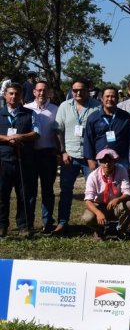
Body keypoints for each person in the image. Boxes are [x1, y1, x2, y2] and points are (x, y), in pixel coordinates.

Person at [54, 79, 102, 235]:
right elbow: (58, 130)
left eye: (81, 90)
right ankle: (62, 223)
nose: (78, 93)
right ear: (71, 91)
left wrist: (95, 157)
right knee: (66, 191)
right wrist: (63, 152)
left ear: (88, 90)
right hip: (70, 156)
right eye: (75, 90)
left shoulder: (97, 106)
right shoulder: (64, 106)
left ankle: (96, 226)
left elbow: (99, 132)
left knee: (95, 192)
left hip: (90, 157)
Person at [0, 83, 39, 238]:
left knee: (24, 195)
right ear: (5, 95)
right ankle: (2, 225)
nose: (14, 96)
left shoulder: (30, 113)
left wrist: (20, 137)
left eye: (17, 94)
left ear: (22, 96)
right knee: (2, 194)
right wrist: (6, 138)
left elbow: (36, 133)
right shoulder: (0, 113)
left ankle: (24, 226)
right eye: (11, 93)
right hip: (3, 160)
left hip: (24, 160)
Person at [24, 80, 59, 234]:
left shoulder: (56, 110)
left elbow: (59, 134)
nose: (41, 93)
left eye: (44, 90)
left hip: (48, 154)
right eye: (38, 90)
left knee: (47, 191)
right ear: (34, 92)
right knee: (30, 191)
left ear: (48, 92)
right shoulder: (26, 109)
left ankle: (47, 222)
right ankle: (28, 223)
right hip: (30, 155)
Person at [82, 148, 130, 241]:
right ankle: (99, 231)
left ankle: (121, 230)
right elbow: (88, 201)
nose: (107, 164)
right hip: (100, 205)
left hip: (116, 205)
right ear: (99, 162)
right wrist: (98, 213)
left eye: (110, 161)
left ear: (115, 161)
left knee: (129, 205)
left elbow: (128, 192)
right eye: (103, 161)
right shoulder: (93, 176)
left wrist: (118, 199)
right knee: (88, 217)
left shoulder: (121, 170)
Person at [84, 86, 130, 170]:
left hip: (121, 160)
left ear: (117, 99)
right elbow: (88, 139)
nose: (110, 99)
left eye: (113, 97)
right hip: (101, 161)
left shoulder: (125, 117)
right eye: (107, 96)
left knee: (121, 183)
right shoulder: (93, 117)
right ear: (101, 99)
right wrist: (90, 159)